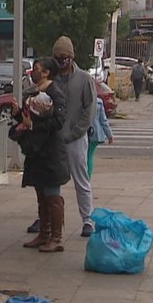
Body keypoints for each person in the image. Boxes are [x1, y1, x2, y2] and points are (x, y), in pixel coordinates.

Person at [9, 59, 70, 252]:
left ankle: (56, 237)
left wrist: (32, 125)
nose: (32, 72)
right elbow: (30, 118)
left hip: (50, 152)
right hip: (36, 150)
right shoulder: (34, 92)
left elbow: (58, 121)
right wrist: (18, 114)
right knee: (41, 196)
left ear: (46, 73)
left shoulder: (56, 93)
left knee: (52, 196)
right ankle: (44, 234)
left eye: (36, 69)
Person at [52, 36, 98, 238]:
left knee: (81, 180)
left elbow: (89, 110)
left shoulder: (84, 79)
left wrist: (75, 133)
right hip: (53, 139)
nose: (61, 60)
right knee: (51, 181)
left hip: (76, 139)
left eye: (64, 57)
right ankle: (49, 218)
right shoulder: (50, 78)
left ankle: (87, 219)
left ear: (71, 57)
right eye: (57, 57)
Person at [87, 97, 114, 177]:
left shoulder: (82, 100)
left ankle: (85, 177)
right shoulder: (98, 102)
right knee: (90, 156)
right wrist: (109, 135)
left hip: (85, 131)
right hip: (96, 133)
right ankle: (87, 178)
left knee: (85, 156)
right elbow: (103, 120)